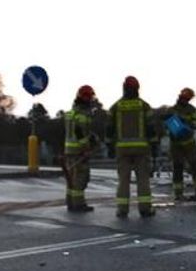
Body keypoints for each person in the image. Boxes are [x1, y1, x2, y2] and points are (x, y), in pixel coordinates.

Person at [106, 75, 156, 218]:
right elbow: (151, 127)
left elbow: (109, 128)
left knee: (123, 180)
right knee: (143, 179)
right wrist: (154, 145)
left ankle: (122, 210)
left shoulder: (115, 107)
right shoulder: (144, 106)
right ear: (137, 89)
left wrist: (109, 145)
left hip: (122, 149)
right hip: (142, 148)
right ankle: (145, 209)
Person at [163, 87, 196, 200]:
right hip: (176, 143)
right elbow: (165, 125)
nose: (185, 99)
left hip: (189, 143)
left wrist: (187, 123)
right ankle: (178, 193)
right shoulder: (171, 110)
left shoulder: (192, 110)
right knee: (177, 168)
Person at [63, 84, 99, 212]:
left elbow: (74, 132)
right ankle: (78, 204)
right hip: (79, 151)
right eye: (89, 97)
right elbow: (80, 134)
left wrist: (92, 136)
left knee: (71, 178)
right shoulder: (83, 115)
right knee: (81, 178)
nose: (91, 99)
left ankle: (70, 203)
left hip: (68, 150)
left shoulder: (70, 114)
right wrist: (86, 148)